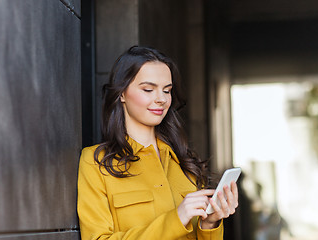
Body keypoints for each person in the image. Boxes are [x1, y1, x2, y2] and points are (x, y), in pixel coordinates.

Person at [77, 46, 238, 239]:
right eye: (148, 89)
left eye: (167, 91)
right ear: (121, 94)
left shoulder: (185, 163)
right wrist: (176, 219)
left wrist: (209, 223)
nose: (161, 99)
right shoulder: (96, 162)